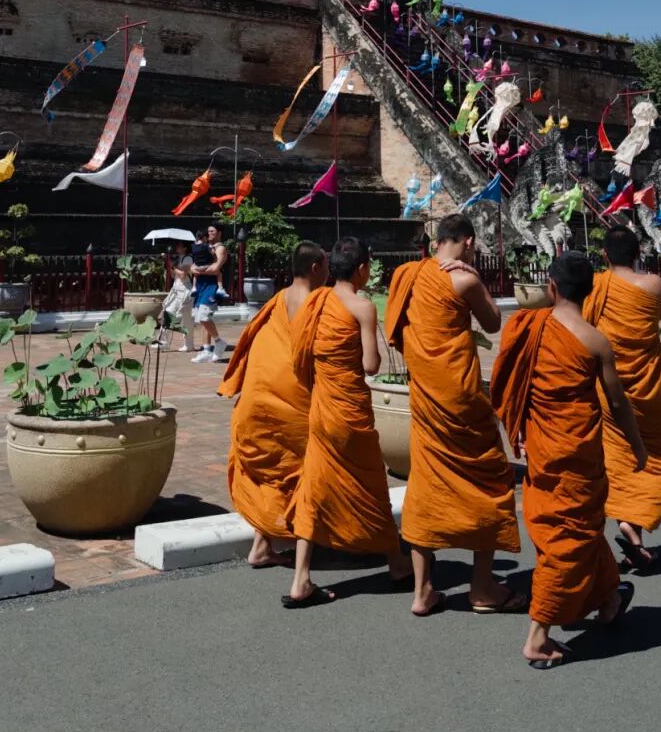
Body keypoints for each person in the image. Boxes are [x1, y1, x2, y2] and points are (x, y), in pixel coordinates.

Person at [490, 251, 646, 669]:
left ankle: (608, 599)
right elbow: (617, 402)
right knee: (569, 537)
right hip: (577, 449)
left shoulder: (528, 326)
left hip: (544, 446)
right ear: (590, 291)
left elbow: (508, 382)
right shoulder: (595, 340)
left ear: (552, 287)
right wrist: (637, 446)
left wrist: (516, 428)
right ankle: (538, 636)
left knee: (579, 525)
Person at [385, 213, 522, 619]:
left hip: (427, 396)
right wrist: (475, 276)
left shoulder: (406, 275)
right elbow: (493, 323)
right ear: (468, 242)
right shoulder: (464, 279)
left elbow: (397, 329)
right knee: (491, 480)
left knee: (426, 485)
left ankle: (422, 591)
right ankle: (482, 587)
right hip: (460, 398)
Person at [284, 236, 411, 608]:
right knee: (372, 485)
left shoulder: (316, 301)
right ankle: (396, 563)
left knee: (313, 488)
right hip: (350, 411)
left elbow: (301, 353)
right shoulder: (362, 306)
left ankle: (300, 579)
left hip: (323, 408)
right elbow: (371, 365)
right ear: (362, 269)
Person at [218, 241, 330, 567]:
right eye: (325, 266)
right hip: (292, 406)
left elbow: (253, 345)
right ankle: (302, 567)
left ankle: (262, 545)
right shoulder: (320, 303)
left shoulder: (276, 301)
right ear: (315, 268)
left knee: (272, 475)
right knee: (301, 473)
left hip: (257, 401)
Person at [582, 226, 661, 570]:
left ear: (605, 255)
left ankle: (627, 527)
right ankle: (632, 526)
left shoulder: (595, 285)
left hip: (608, 386)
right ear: (638, 254)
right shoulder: (654, 284)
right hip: (648, 388)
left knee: (619, 457)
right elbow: (658, 314)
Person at [191, 222, 230, 363]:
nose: (209, 234)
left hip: (212, 286)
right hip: (200, 286)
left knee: (204, 316)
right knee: (201, 319)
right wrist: (195, 269)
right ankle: (206, 350)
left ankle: (219, 342)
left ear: (219, 233)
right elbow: (193, 266)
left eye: (212, 231)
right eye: (208, 232)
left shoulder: (220, 248)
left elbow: (215, 269)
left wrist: (199, 270)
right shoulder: (204, 247)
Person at [157, 240, 194, 353]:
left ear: (185, 248)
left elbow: (183, 275)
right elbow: (174, 276)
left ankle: (189, 344)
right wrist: (169, 264)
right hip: (176, 290)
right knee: (168, 312)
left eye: (179, 246)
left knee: (186, 320)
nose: (177, 247)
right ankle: (163, 342)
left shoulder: (188, 259)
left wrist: (174, 267)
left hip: (185, 291)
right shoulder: (179, 259)